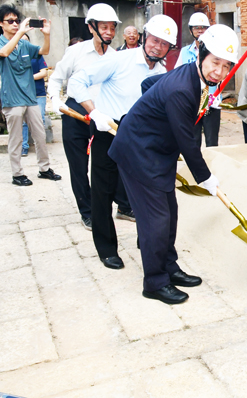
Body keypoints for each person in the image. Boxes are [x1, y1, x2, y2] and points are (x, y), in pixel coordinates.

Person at [109, 24, 235, 304]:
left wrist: (153, 111)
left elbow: (149, 85)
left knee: (170, 213)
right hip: (138, 153)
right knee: (157, 220)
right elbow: (188, 142)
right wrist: (206, 178)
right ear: (201, 53)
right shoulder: (182, 89)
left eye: (227, 66)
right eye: (215, 62)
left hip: (157, 151)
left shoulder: (194, 77)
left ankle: (169, 267)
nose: (220, 72)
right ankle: (154, 282)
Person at [67, 14, 174, 270]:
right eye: (154, 40)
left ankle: (147, 242)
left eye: (164, 44)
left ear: (169, 48)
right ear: (145, 36)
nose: (157, 46)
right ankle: (106, 249)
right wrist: (95, 113)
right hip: (108, 130)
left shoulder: (163, 74)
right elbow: (77, 82)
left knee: (145, 195)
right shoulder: (119, 59)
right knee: (102, 194)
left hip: (140, 139)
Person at [48, 3, 134, 231]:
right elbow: (56, 78)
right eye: (103, 27)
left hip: (102, 116)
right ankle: (87, 212)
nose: (108, 32)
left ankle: (123, 206)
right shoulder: (76, 52)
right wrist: (55, 99)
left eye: (112, 27)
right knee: (79, 166)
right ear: (91, 27)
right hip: (75, 113)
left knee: (110, 162)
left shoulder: (116, 56)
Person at [0, 4, 61, 186]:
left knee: (40, 135)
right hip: (12, 99)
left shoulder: (24, 44)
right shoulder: (2, 43)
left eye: (17, 21)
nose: (15, 24)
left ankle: (44, 169)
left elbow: (44, 51)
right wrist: (20, 32)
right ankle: (17, 174)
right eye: (10, 21)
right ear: (1, 24)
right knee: (16, 138)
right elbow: (4, 52)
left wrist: (47, 34)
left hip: (30, 97)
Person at [175, 12, 220, 147]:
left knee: (212, 142)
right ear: (191, 30)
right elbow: (177, 75)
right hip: (191, 103)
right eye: (196, 27)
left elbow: (224, 73)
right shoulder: (184, 52)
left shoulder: (216, 51)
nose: (200, 30)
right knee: (193, 141)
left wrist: (217, 94)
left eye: (203, 27)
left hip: (212, 102)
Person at [21, 33, 48, 157]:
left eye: (26, 40)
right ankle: (24, 146)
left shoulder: (37, 55)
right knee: (24, 122)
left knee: (40, 120)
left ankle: (41, 147)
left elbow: (44, 73)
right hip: (23, 95)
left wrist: (28, 78)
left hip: (38, 94)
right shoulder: (16, 56)